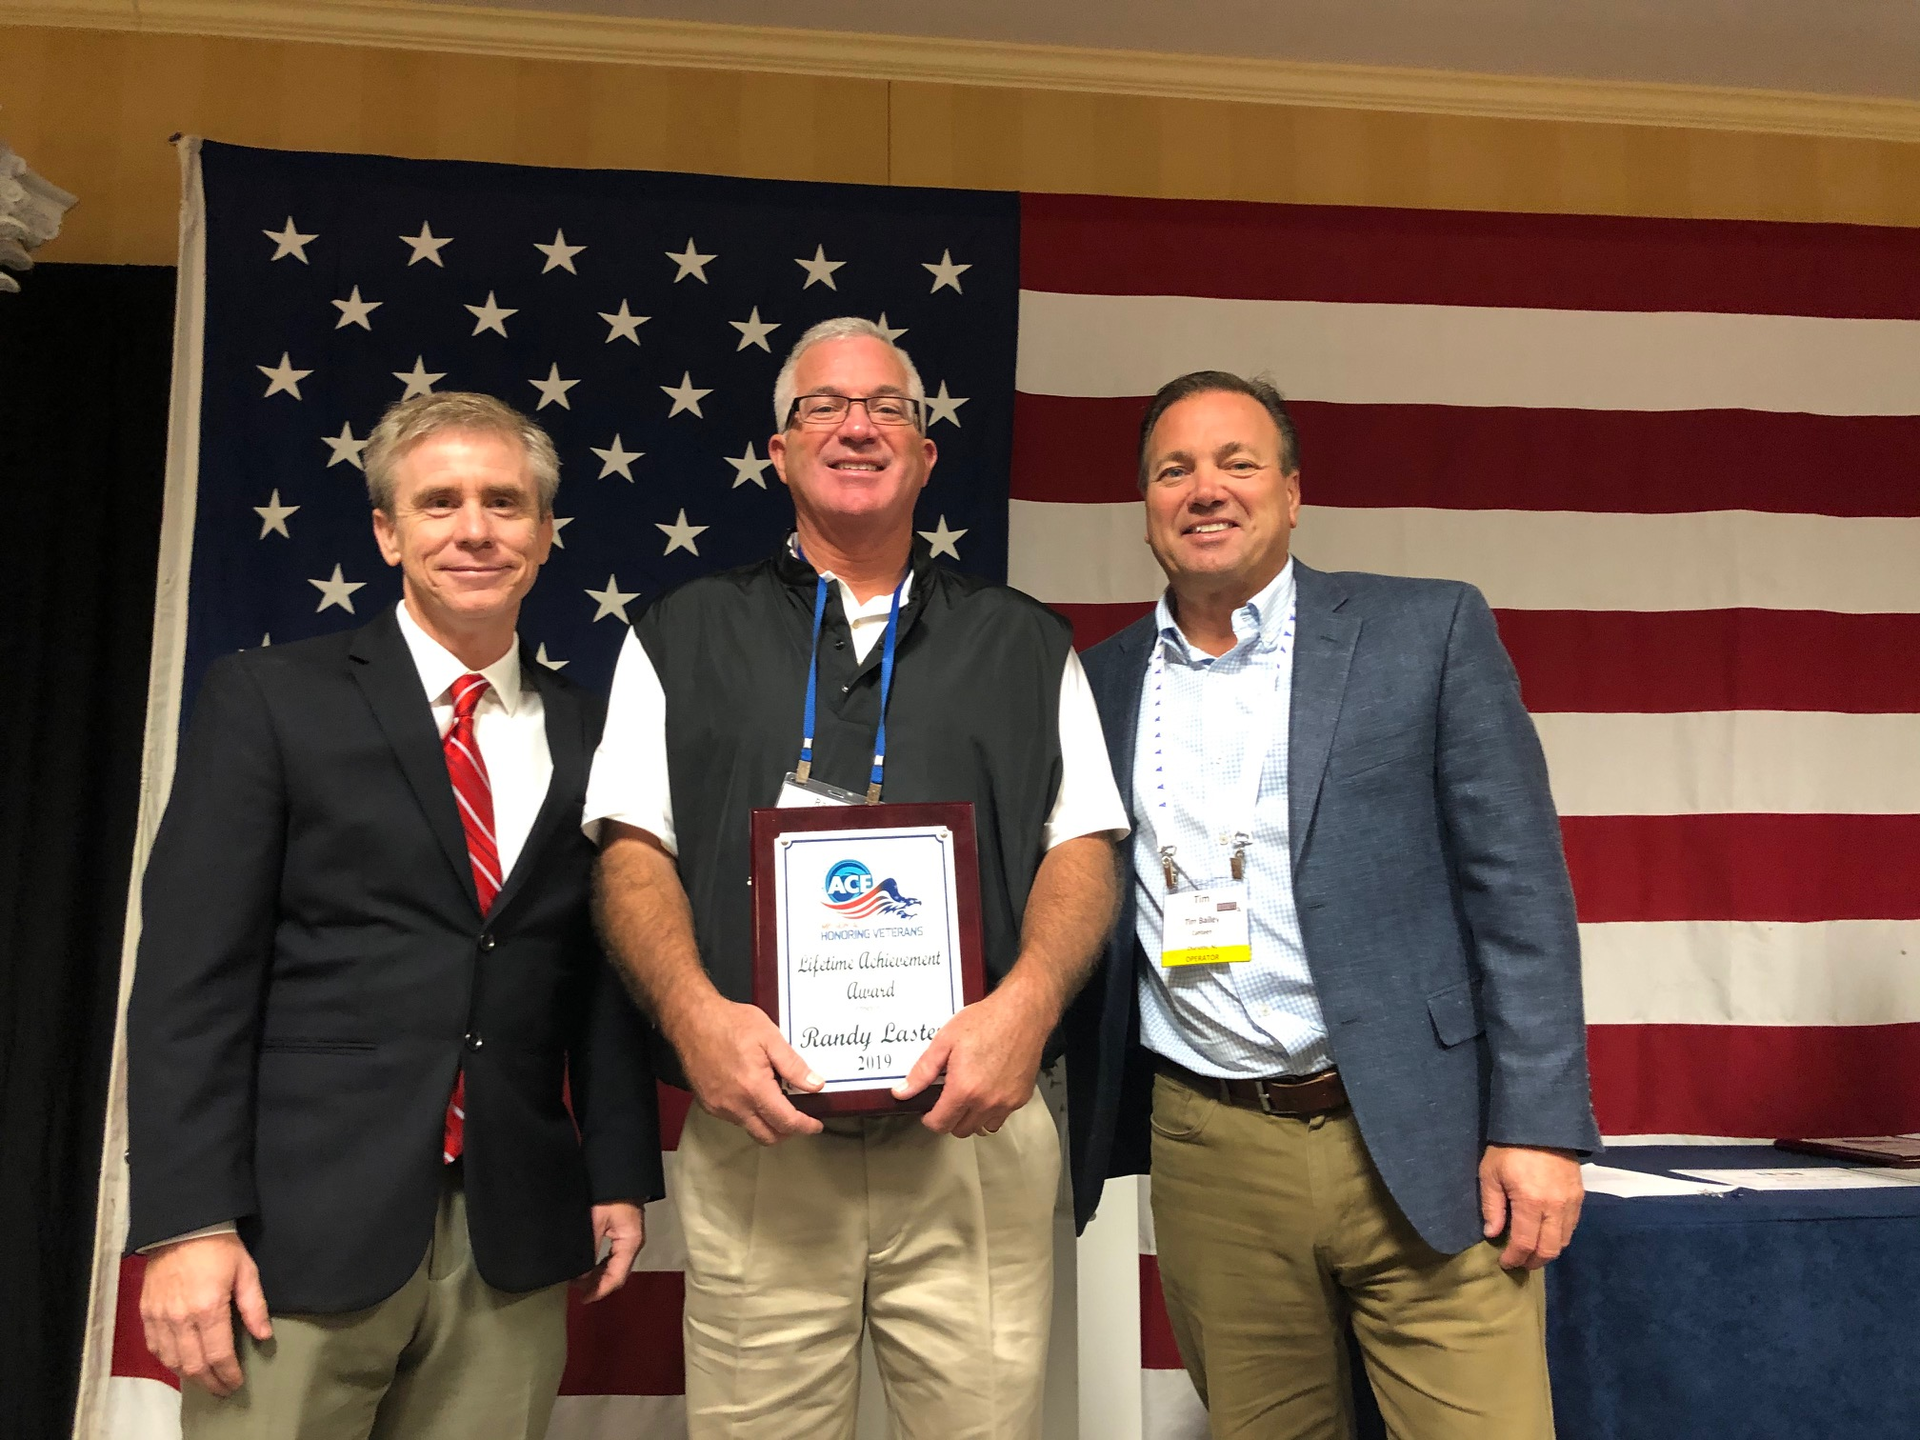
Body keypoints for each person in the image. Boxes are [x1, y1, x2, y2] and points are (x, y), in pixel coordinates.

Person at [586, 316, 1128, 1439]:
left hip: (970, 1131)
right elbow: (634, 854)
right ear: (778, 451)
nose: (857, 426)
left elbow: (1082, 850)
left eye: (888, 407)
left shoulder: (1026, 644)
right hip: (760, 1132)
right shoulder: (679, 635)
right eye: (822, 406)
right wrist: (693, 1019)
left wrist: (1024, 1009)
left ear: (928, 456)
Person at [1066, 371, 1599, 1439]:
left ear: (1294, 492)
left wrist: (1539, 1126)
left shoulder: (1425, 629)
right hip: (1215, 1150)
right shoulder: (1096, 683)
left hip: (1423, 1136)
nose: (1205, 490)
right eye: (1175, 470)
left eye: (1238, 463)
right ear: (1145, 507)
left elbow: (1520, 892)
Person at [126, 392, 662, 1440]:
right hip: (295, 1233)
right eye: (441, 503)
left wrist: (619, 1171)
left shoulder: (598, 734)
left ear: (546, 535)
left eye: (506, 504)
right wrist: (188, 1222)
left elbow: (598, 979)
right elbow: (192, 980)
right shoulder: (270, 701)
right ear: (387, 532)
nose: (475, 530)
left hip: (510, 1230)